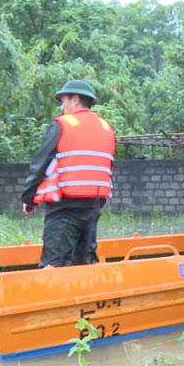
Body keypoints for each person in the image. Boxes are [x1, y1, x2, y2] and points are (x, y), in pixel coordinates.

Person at [22, 79, 116, 268]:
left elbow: (40, 164)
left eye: (63, 101)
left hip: (64, 207)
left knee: (54, 265)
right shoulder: (106, 128)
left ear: (75, 100)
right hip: (93, 206)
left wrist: (29, 198)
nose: (62, 107)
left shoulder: (62, 125)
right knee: (83, 263)